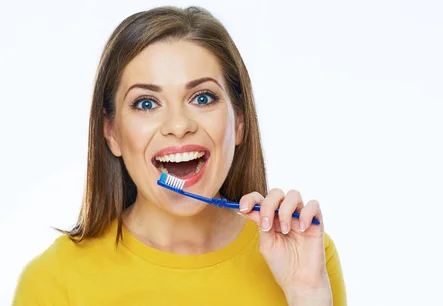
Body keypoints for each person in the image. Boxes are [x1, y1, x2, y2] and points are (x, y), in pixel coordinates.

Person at [12, 6, 346, 306]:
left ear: (239, 122)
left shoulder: (307, 257)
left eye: (202, 98)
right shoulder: (55, 281)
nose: (178, 125)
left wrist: (306, 294)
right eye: (146, 103)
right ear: (111, 133)